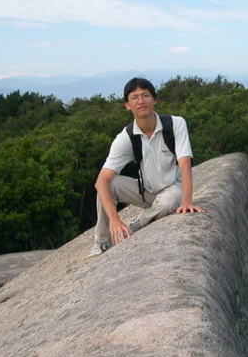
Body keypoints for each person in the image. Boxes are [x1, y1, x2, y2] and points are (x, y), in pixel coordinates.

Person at [87, 77, 205, 257]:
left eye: (145, 95)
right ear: (127, 105)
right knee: (109, 184)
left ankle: (137, 224)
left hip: (173, 191)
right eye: (134, 97)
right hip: (146, 192)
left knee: (169, 201)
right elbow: (101, 181)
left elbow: (185, 163)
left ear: (154, 100)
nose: (141, 101)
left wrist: (187, 201)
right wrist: (114, 218)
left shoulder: (175, 124)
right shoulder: (127, 138)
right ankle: (102, 242)